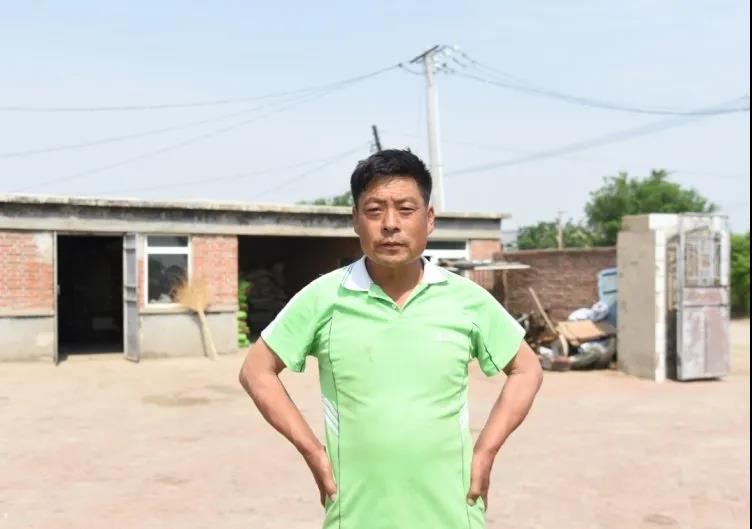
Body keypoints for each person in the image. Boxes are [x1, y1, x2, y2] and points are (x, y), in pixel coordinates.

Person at [239, 149, 543, 529]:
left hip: (452, 512)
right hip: (356, 514)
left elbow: (527, 369)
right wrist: (312, 451)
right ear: (355, 220)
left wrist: (486, 450)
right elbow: (256, 370)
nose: (390, 224)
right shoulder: (325, 298)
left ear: (429, 219)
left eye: (405, 209)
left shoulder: (466, 299)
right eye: (374, 210)